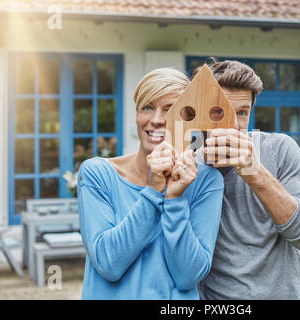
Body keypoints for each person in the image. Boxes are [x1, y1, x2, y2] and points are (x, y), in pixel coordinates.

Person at [77, 68, 224, 300]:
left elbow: (188, 276)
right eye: (147, 107)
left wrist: (175, 199)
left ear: (188, 119)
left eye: (170, 110)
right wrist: (154, 192)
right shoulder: (97, 174)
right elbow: (109, 264)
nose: (156, 120)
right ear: (137, 113)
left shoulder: (206, 181)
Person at [196, 60, 300, 300]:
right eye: (218, 112)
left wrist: (255, 173)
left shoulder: (280, 149)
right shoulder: (188, 169)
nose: (233, 125)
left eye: (242, 113)